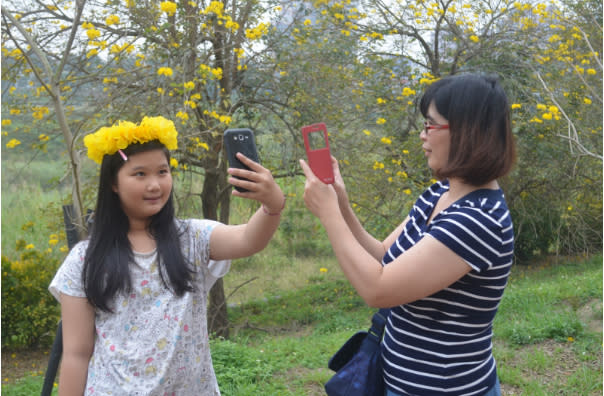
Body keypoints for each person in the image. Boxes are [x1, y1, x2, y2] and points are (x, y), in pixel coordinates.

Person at [300, 73, 516, 396]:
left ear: (467, 133)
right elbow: (384, 255)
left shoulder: (478, 220)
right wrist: (342, 206)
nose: (422, 135)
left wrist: (329, 215)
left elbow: (379, 289)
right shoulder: (440, 194)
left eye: (430, 125)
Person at [49, 116, 285, 395]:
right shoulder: (84, 260)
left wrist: (273, 203)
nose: (155, 185)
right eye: (140, 174)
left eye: (162, 172)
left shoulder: (193, 239)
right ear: (113, 183)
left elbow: (249, 239)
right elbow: (76, 353)